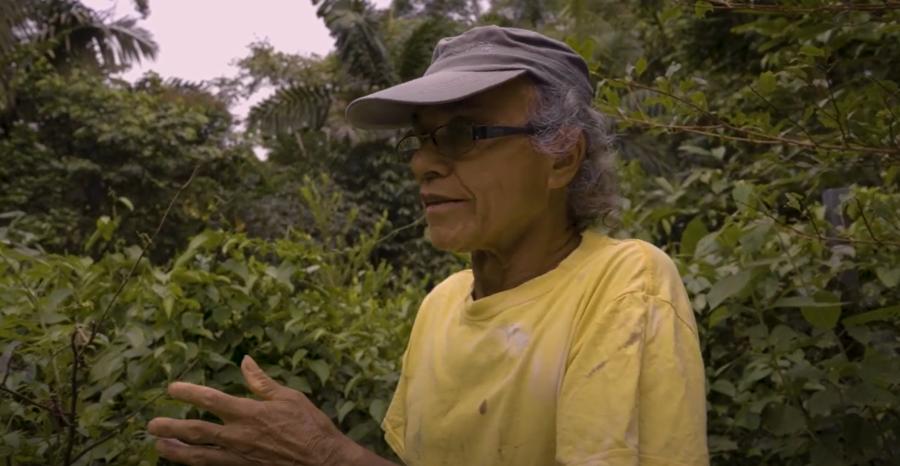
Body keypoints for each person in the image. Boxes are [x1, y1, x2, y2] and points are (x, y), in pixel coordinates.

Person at [148, 25, 708, 466]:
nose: (421, 163)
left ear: (562, 156)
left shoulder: (625, 285)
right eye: (419, 138)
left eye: (462, 134)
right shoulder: (441, 305)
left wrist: (330, 456)